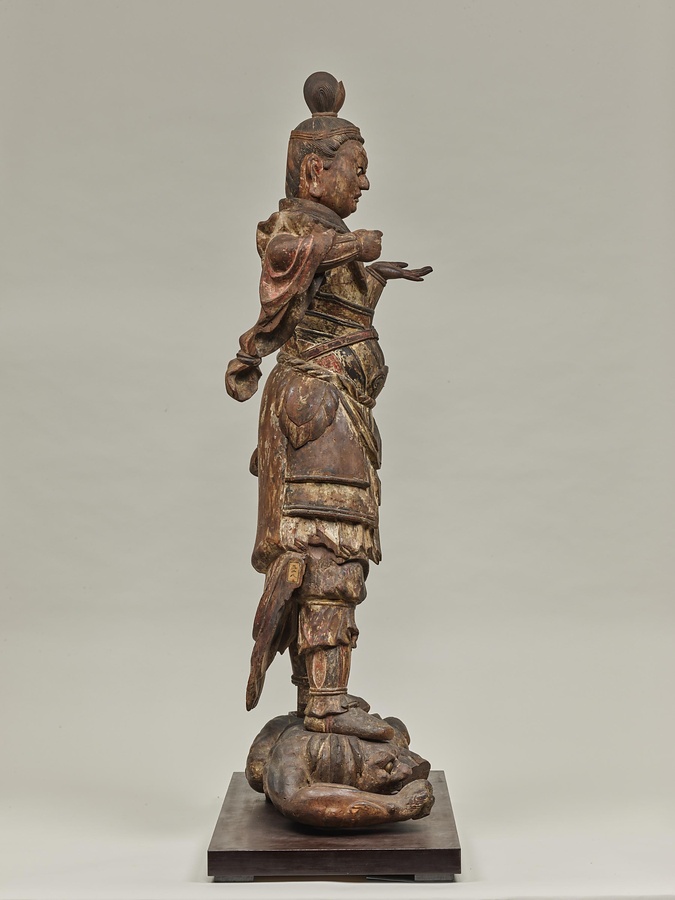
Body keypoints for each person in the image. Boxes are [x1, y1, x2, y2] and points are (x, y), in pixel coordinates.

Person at [226, 72, 432, 742]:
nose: (364, 183)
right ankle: (323, 702)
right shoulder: (297, 228)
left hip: (334, 407)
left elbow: (327, 298)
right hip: (315, 408)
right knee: (325, 549)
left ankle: (320, 696)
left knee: (331, 547)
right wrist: (351, 247)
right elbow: (283, 256)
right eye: (357, 168)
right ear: (315, 171)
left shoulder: (323, 231)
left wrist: (372, 275)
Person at [245, 711, 435, 828]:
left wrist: (396, 805)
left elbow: (298, 801)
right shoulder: (394, 736)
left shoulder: (285, 763)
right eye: (395, 762)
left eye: (390, 768)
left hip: (290, 737)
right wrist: (396, 805)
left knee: (256, 773)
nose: (405, 770)